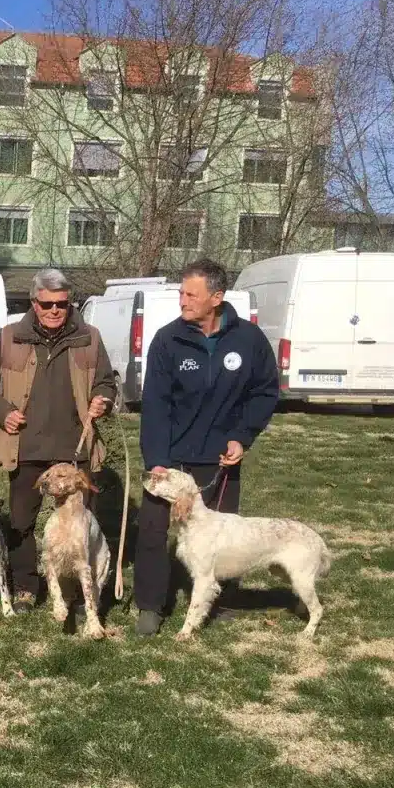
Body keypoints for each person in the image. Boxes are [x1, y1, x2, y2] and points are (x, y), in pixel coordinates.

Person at [134, 257, 280, 635]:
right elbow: (155, 405)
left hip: (219, 460)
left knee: (223, 536)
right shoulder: (168, 340)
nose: (182, 301)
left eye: (191, 295)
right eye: (182, 293)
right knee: (153, 532)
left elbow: (265, 392)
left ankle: (219, 601)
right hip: (171, 460)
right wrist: (157, 460)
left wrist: (242, 436)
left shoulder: (249, 340)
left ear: (216, 298)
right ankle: (150, 606)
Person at [0, 268, 118, 608]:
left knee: (82, 524)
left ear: (70, 303)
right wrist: (3, 412)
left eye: (62, 304)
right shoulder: (10, 337)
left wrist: (103, 399)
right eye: (47, 304)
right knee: (22, 522)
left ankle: (79, 588)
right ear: (34, 303)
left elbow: (106, 382)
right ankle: (26, 586)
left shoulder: (90, 338)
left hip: (76, 448)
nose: (54, 310)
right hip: (26, 446)